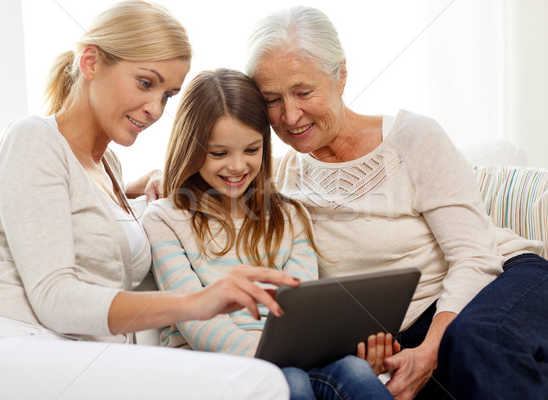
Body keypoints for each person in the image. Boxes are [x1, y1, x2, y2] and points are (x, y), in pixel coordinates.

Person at [0, 2, 300, 399]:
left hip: (79, 353)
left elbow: (92, 225)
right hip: (5, 342)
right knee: (259, 381)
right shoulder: (31, 139)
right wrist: (196, 301)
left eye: (168, 94)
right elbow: (54, 297)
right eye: (145, 83)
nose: (155, 109)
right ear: (90, 62)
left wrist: (144, 189)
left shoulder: (110, 168)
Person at [244, 5, 548, 400]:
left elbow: (475, 258)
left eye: (303, 92)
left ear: (340, 77)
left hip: (502, 281)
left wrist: (430, 351)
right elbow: (216, 165)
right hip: (413, 328)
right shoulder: (281, 177)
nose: (289, 115)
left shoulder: (413, 138)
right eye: (271, 99)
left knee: (474, 341)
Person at [141, 68, 395, 400]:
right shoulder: (165, 219)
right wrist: (273, 359)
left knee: (355, 371)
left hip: (290, 359)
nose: (237, 166)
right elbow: (196, 321)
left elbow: (299, 311)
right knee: (290, 381)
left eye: (251, 150)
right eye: (219, 153)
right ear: (191, 147)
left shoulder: (289, 216)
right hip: (209, 367)